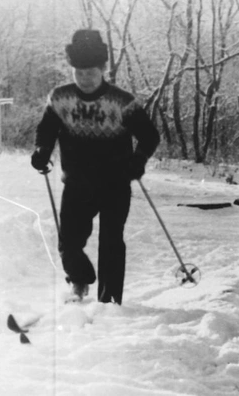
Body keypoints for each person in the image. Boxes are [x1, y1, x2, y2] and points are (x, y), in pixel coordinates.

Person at [31, 29, 160, 304]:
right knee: (69, 242)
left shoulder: (122, 101)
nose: (84, 78)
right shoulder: (60, 98)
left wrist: (138, 161)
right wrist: (42, 151)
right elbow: (47, 130)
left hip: (115, 182)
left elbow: (149, 136)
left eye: (90, 72)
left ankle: (110, 299)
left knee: (112, 241)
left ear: (103, 69)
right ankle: (79, 280)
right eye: (78, 72)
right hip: (77, 182)